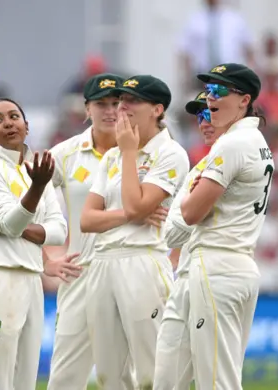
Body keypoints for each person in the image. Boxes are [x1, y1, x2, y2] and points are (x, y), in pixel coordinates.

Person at [80, 75, 190, 389]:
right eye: (121, 100)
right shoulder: (113, 155)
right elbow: (87, 220)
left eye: (132, 100)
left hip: (143, 262)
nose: (122, 107)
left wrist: (129, 152)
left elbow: (137, 206)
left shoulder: (170, 153)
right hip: (102, 263)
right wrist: (129, 214)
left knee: (151, 373)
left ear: (157, 109)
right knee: (109, 375)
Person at [0, 98, 77, 390]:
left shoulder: (34, 170)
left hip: (31, 279)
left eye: (14, 116)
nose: (8, 123)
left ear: (26, 126)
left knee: (25, 380)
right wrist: (37, 188)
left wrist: (21, 227)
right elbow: (10, 224)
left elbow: (57, 230)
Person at [180, 63, 269, 390]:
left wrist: (190, 191)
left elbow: (189, 214)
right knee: (223, 376)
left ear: (244, 100)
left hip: (217, 267)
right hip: (242, 266)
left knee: (216, 381)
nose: (210, 98)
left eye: (219, 91)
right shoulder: (256, 140)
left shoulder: (231, 144)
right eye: (208, 90)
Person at [46, 73, 125, 389]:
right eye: (101, 104)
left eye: (117, 104)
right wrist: (48, 258)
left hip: (131, 269)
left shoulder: (150, 151)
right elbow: (26, 206)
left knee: (129, 377)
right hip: (81, 272)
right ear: (86, 109)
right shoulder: (64, 153)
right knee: (64, 379)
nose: (110, 111)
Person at [153, 90, 226, 390]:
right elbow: (173, 232)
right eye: (199, 116)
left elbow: (178, 226)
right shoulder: (202, 164)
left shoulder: (229, 159)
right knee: (166, 379)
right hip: (188, 272)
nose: (203, 122)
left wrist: (182, 213)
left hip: (214, 272)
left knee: (216, 379)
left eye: (210, 113)